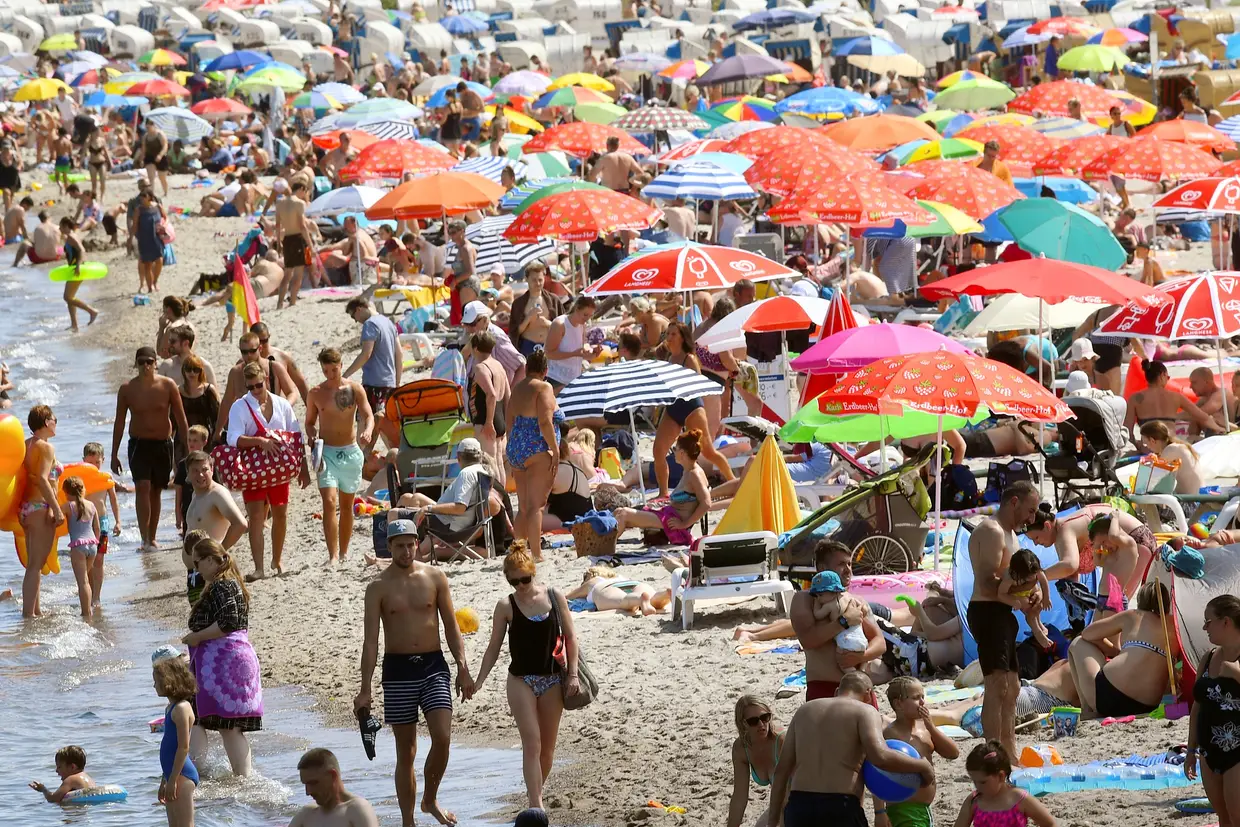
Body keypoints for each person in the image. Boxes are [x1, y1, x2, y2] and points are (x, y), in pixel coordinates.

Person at [355, 518, 472, 827]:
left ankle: (429, 798)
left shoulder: (435, 577)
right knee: (405, 751)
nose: (406, 551)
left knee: (443, 737)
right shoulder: (378, 587)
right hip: (398, 671)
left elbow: (451, 625)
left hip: (434, 665)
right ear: (389, 547)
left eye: (410, 544)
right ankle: (408, 821)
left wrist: (462, 666)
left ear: (417, 543)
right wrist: (365, 688)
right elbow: (370, 642)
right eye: (399, 546)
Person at [474, 540, 578, 810]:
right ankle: (536, 806)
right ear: (508, 579)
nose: (521, 585)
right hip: (521, 680)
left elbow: (570, 637)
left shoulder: (554, 596)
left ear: (534, 573)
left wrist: (574, 675)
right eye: (515, 581)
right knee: (531, 742)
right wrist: (479, 681)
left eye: (526, 579)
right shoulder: (506, 606)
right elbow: (493, 648)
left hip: (553, 679)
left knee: (547, 749)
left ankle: (534, 796)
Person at [769, 671, 933, 827]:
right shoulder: (865, 711)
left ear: (836, 691)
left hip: (799, 806)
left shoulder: (804, 711)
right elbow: (880, 756)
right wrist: (922, 766)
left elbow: (781, 771)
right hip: (840, 806)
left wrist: (773, 821)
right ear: (869, 694)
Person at [967, 480, 1041, 759]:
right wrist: (1020, 595)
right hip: (987, 611)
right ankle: (992, 755)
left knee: (1012, 688)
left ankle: (1009, 754)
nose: (1032, 518)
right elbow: (987, 583)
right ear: (1014, 502)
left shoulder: (1011, 534)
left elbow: (1012, 580)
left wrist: (1030, 592)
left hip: (1003, 613)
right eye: (1030, 510)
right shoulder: (992, 531)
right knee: (997, 686)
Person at [183, 540, 263, 776]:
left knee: (198, 717)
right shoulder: (231, 583)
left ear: (210, 560)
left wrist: (197, 636)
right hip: (233, 659)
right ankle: (242, 778)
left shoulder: (221, 585)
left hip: (221, 662)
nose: (196, 569)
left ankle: (196, 775)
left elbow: (228, 623)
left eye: (197, 562)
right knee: (229, 725)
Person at [226, 362, 311, 580]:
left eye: (259, 385)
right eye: (251, 387)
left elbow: (295, 436)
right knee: (255, 517)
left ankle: (277, 559)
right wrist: (259, 441)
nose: (255, 390)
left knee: (281, 514)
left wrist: (303, 469)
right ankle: (259, 567)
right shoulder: (240, 406)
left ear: (266, 378)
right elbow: (233, 438)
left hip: (279, 468)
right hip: (253, 470)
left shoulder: (282, 404)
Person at [112, 346, 188, 552]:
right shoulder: (127, 389)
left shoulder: (168, 385)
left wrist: (187, 450)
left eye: (149, 362)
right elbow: (119, 423)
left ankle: (152, 537)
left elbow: (181, 420)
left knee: (156, 491)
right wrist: (114, 454)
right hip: (139, 444)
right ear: (136, 364)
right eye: (142, 362)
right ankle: (143, 537)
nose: (146, 366)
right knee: (142, 487)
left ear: (155, 363)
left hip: (163, 444)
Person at [789, 540, 885, 703]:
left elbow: (880, 642)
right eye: (841, 564)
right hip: (824, 687)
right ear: (821, 568)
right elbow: (808, 640)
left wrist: (860, 657)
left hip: (860, 687)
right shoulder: (805, 599)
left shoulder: (856, 601)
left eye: (849, 564)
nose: (848, 570)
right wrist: (843, 621)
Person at [1067, 581, 1176, 719]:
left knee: (1077, 643)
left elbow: (1087, 634)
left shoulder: (1133, 615)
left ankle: (1088, 709)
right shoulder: (1173, 626)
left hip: (1109, 698)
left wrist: (1115, 652)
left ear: (1140, 600)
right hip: (1147, 705)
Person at [305, 347, 374, 565]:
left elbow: (368, 414)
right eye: (326, 371)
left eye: (334, 370)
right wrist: (311, 434)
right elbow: (308, 422)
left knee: (346, 505)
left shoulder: (354, 389)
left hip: (351, 451)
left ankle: (343, 553)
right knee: (329, 501)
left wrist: (368, 430)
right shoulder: (316, 393)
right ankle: (333, 555)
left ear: (341, 366)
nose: (330, 375)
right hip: (327, 453)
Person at [653, 321, 735, 493]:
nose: (669, 338)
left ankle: (734, 482)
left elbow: (699, 385)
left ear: (683, 338)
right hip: (674, 408)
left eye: (673, 334)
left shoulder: (689, 359)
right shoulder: (669, 359)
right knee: (658, 451)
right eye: (668, 334)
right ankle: (663, 493)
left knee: (709, 452)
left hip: (692, 408)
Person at [1186, 594, 1240, 826]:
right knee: (1224, 818)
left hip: (1237, 749)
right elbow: (1197, 707)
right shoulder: (1207, 658)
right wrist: (1190, 750)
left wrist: (1236, 674)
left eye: (1208, 622)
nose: (1205, 628)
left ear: (1225, 622)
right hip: (1208, 751)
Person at [877, 677, 960, 827]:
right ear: (898, 703)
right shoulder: (890, 734)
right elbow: (877, 773)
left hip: (923, 810)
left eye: (923, 697)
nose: (922, 702)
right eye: (916, 698)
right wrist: (880, 812)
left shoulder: (925, 730)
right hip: (903, 808)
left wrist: (931, 727)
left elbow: (953, 753)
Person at [613, 428, 711, 549]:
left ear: (682, 453)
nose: (673, 452)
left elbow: (706, 503)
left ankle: (604, 548)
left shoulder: (694, 474)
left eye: (675, 449)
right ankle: (605, 541)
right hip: (667, 514)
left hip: (671, 520)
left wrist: (684, 524)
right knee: (618, 511)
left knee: (624, 514)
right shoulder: (689, 470)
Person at [505, 350, 562, 558]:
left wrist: (512, 450)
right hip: (536, 447)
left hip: (516, 447)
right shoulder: (544, 387)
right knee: (536, 506)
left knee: (523, 506)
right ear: (545, 371)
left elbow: (509, 423)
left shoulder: (517, 389)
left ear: (527, 368)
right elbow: (545, 421)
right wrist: (554, 450)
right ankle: (536, 555)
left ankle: (519, 552)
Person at [20, 405, 63, 618]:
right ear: (46, 422)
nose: (56, 424)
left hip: (27, 508)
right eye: (54, 419)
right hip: (41, 507)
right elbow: (45, 480)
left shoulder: (26, 445)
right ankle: (28, 615)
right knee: (35, 565)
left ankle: (35, 611)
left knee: (32, 564)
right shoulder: (46, 448)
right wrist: (57, 509)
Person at [215, 332, 299, 439]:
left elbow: (292, 392)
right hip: (248, 433)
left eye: (252, 351)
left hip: (274, 426)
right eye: (244, 352)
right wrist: (218, 430)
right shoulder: (236, 373)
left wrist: (282, 407)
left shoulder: (274, 367)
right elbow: (227, 401)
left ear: (260, 348)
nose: (248, 355)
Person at [954, 742, 1057, 827]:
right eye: (974, 781)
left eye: (983, 782)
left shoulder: (1019, 799)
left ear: (1001, 776)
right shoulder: (974, 801)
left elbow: (1049, 823)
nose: (977, 786)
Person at [344, 298, 402, 441]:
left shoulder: (370, 324)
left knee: (364, 427)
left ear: (359, 309)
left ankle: (362, 462)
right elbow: (399, 354)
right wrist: (397, 383)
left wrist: (345, 375)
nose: (356, 321)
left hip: (373, 384)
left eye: (353, 316)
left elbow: (366, 354)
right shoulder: (388, 322)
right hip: (389, 383)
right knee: (386, 427)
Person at [1126, 359, 1224, 440]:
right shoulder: (1176, 397)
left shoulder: (1134, 399)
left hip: (1148, 448)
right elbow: (1203, 417)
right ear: (1162, 375)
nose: (1168, 379)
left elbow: (1128, 430)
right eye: (1167, 377)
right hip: (1170, 445)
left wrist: (1138, 445)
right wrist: (1220, 429)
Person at [153, 656, 199, 827]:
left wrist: (173, 779)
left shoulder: (181, 708)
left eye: (156, 681)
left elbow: (183, 747)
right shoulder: (170, 708)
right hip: (172, 774)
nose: (154, 686)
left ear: (169, 681)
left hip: (182, 775)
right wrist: (164, 780)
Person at [728, 695, 785, 827]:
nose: (761, 724)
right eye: (753, 721)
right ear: (743, 724)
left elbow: (789, 793)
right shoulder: (741, 749)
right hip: (781, 805)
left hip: (806, 801)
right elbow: (739, 797)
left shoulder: (781, 741)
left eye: (765, 718)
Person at [289, 748, 380, 827]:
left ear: (332, 775)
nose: (308, 792)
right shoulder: (306, 814)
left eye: (313, 783)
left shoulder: (356, 809)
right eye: (305, 784)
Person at [467, 330, 510, 485]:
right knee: (498, 462)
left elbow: (490, 395)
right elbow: (507, 395)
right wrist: (505, 421)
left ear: (476, 348)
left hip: (487, 419)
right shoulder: (498, 365)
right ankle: (503, 500)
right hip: (499, 418)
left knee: (489, 463)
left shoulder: (481, 368)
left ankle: (496, 501)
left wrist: (489, 422)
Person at [81, 442, 121, 605]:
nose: (94, 466)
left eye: (97, 462)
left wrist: (118, 521)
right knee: (87, 560)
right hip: (84, 522)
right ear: (83, 460)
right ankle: (88, 592)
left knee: (98, 560)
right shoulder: (80, 478)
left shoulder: (106, 478)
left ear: (103, 460)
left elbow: (113, 499)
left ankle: (96, 597)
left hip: (102, 522)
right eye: (90, 463)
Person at [183, 450, 248, 549]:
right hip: (199, 561)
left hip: (212, 562)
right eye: (195, 470)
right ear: (188, 473)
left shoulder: (217, 494)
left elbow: (241, 524)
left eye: (205, 469)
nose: (200, 474)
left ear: (212, 469)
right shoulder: (196, 493)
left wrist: (219, 552)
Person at [999, 549, 1052, 651]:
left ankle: (1039, 623)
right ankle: (1037, 632)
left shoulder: (1035, 569)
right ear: (1018, 573)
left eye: (1034, 574)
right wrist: (1012, 601)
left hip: (1032, 590)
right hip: (1017, 595)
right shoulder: (1010, 577)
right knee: (1028, 608)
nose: (1033, 577)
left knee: (1039, 605)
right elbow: (1001, 594)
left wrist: (1046, 597)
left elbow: (1044, 582)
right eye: (1028, 576)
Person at [62, 476, 99, 621]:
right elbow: (97, 528)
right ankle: (88, 609)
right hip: (92, 546)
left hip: (78, 546)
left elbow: (54, 517)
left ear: (66, 492)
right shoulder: (91, 505)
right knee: (86, 581)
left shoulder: (68, 506)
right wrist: (95, 543)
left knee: (82, 582)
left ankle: (86, 613)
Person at [566, 566, 671, 616]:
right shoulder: (620, 576)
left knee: (623, 600)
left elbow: (569, 596)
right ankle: (663, 595)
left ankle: (640, 599)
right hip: (633, 583)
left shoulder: (594, 581)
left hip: (606, 587)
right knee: (651, 597)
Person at [544, 295, 598, 391]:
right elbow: (548, 354)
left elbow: (579, 353)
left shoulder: (582, 326)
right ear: (577, 309)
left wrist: (592, 355)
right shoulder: (560, 324)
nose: (587, 319)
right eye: (585, 315)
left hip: (574, 380)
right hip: (556, 379)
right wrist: (574, 354)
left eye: (590, 316)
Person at [276, 180, 315, 308]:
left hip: (286, 238)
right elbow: (302, 226)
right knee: (298, 274)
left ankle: (280, 302)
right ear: (301, 189)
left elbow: (277, 225)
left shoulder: (280, 203)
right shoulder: (299, 203)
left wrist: (278, 242)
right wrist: (310, 244)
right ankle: (292, 302)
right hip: (298, 239)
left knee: (287, 274)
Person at [509, 262, 562, 355]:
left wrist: (548, 323)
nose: (538, 283)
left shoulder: (553, 300)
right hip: (527, 346)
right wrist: (528, 319)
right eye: (534, 280)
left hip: (548, 345)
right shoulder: (519, 304)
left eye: (540, 280)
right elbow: (514, 331)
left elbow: (563, 326)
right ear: (527, 279)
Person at [1140, 420, 1203, 495]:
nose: (1147, 447)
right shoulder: (1178, 446)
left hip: (1191, 502)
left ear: (1152, 440)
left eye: (1146, 444)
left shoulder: (1170, 450)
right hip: (1197, 498)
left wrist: (1147, 465)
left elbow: (1152, 480)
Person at [57, 216, 98, 332]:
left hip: (77, 269)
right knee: (70, 298)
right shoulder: (69, 236)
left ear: (65, 226)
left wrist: (78, 266)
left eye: (60, 226)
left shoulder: (71, 237)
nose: (59, 228)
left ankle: (92, 311)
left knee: (67, 297)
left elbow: (81, 250)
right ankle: (74, 324)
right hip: (74, 268)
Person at [29, 745, 95, 804]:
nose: (56, 770)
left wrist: (43, 789)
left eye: (59, 767)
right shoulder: (89, 779)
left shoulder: (72, 779)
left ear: (72, 767)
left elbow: (52, 799)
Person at [134, 189, 168, 293]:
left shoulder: (158, 206)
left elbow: (166, 218)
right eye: (141, 196)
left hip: (156, 237)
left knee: (159, 260)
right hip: (144, 238)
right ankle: (150, 287)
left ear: (149, 197)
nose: (142, 198)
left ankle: (155, 282)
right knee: (147, 263)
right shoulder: (139, 209)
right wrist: (133, 238)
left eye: (144, 196)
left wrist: (163, 226)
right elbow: (135, 225)